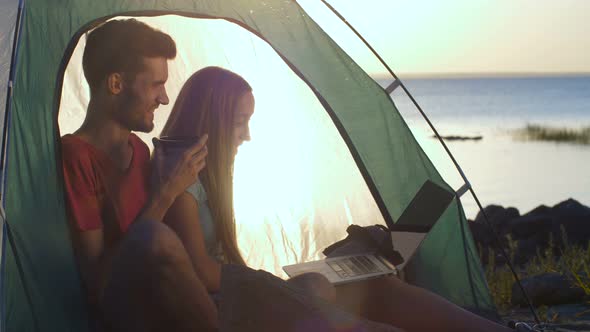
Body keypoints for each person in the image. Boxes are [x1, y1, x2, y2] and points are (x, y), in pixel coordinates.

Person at [160, 66, 517, 332]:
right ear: (213, 119)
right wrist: (269, 283)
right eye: (240, 122)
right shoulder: (182, 179)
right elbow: (204, 276)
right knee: (332, 286)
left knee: (372, 279)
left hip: (240, 293)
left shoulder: (206, 175)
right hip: (224, 307)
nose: (247, 135)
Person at [61, 19, 218, 332]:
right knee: (154, 237)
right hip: (127, 315)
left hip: (164, 299)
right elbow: (99, 284)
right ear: (116, 84)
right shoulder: (75, 155)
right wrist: (167, 192)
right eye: (156, 84)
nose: (164, 99)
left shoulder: (140, 149)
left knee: (313, 288)